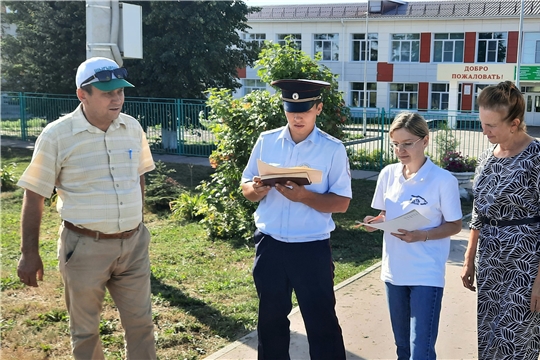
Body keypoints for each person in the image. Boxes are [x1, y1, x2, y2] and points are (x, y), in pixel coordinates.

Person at [16, 57, 157, 360]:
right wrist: (29, 253)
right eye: (107, 92)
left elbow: (139, 176)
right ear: (83, 94)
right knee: (86, 331)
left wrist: (138, 223)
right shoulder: (57, 136)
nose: (116, 98)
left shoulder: (132, 128)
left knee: (142, 324)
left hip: (133, 245)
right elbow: (35, 195)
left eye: (120, 91)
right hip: (83, 248)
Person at [241, 79, 351, 359]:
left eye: (304, 109)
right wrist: (257, 188)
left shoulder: (332, 149)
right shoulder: (266, 141)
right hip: (270, 245)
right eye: (291, 109)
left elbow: (342, 203)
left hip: (310, 246)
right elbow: (246, 188)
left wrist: (305, 197)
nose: (297, 117)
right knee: (270, 321)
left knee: (321, 322)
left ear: (318, 107)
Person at [363, 112, 462, 359]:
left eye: (407, 143)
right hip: (393, 272)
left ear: (425, 141)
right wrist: (374, 223)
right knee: (403, 348)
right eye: (395, 144)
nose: (400, 150)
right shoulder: (387, 174)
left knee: (422, 351)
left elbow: (455, 225)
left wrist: (422, 235)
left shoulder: (443, 180)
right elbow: (386, 214)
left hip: (426, 274)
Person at [461, 81, 540, 359]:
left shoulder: (537, 156)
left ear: (514, 123)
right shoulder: (486, 157)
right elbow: (478, 213)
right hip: (491, 261)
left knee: (516, 341)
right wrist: (470, 258)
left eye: (491, 125)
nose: (484, 131)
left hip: (525, 265)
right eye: (482, 123)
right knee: (490, 336)